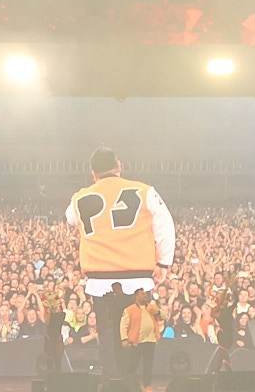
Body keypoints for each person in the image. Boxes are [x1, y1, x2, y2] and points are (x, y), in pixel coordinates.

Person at [67, 148, 175, 376]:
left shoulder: (79, 198)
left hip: (100, 280)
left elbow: (69, 218)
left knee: (107, 338)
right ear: (119, 166)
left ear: (93, 173)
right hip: (137, 278)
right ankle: (132, 387)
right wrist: (163, 264)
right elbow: (166, 227)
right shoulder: (145, 191)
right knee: (136, 333)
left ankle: (112, 387)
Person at [122, 287, 161, 390]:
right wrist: (124, 339)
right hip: (136, 341)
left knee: (148, 364)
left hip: (150, 341)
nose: (145, 296)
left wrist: (157, 312)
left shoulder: (151, 307)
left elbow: (163, 317)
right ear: (136, 296)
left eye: (145, 294)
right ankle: (129, 385)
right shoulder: (129, 309)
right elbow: (123, 325)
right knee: (133, 364)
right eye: (142, 294)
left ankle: (147, 386)